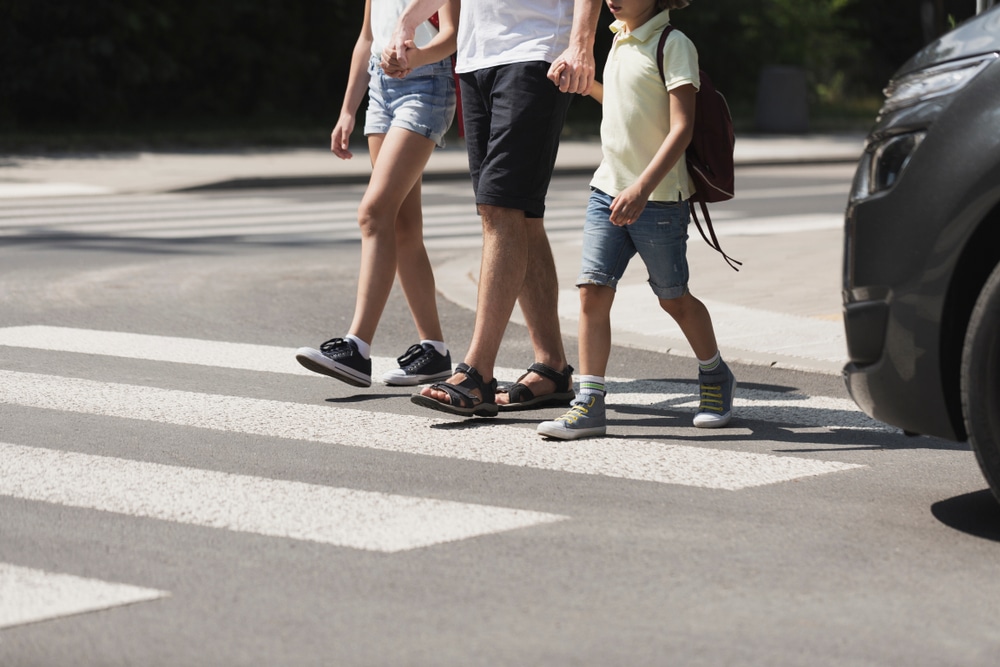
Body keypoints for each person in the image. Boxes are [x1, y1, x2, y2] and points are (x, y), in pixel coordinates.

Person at [389, 0, 603, 417]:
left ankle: (477, 373)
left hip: (536, 50)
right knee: (521, 215)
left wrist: (581, 42)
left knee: (500, 208)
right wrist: (407, 22)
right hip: (476, 58)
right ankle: (552, 367)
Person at [537, 0, 737, 440]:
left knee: (673, 298)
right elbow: (621, 104)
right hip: (607, 190)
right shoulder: (618, 39)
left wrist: (642, 190)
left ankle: (715, 374)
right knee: (592, 291)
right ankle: (590, 402)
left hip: (658, 201)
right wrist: (584, 85)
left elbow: (681, 127)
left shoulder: (674, 44)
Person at [295, 0, 459, 388]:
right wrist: (347, 110)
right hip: (381, 91)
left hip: (425, 87)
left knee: (373, 213)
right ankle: (434, 351)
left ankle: (356, 346)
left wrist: (416, 58)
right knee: (402, 227)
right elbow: (367, 38)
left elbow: (453, 36)